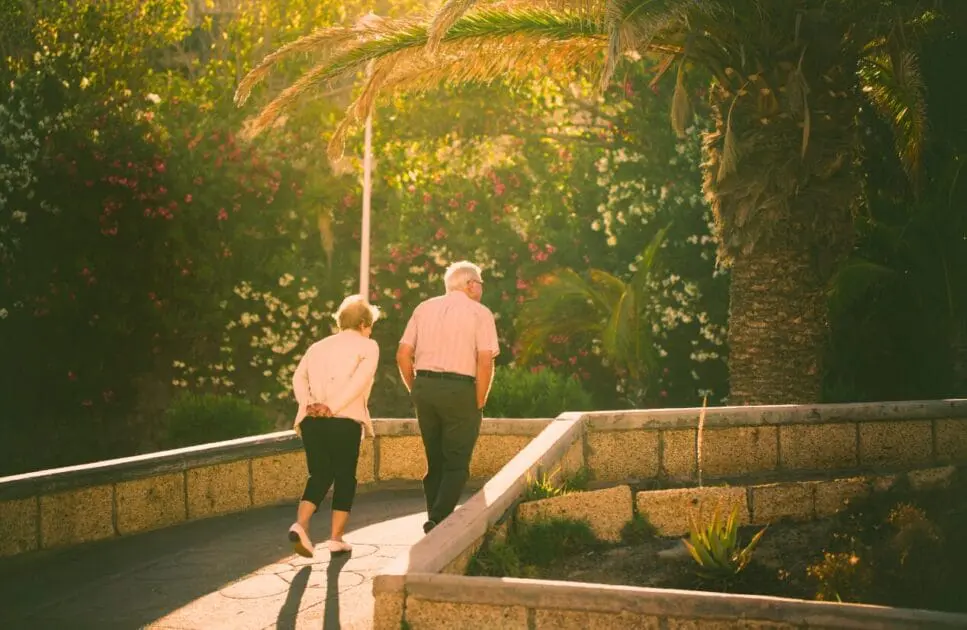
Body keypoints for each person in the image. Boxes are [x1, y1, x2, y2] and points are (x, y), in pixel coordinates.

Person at [396, 261, 499, 534]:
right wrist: (479, 400)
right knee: (457, 463)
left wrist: (415, 388)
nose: (481, 288)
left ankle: (434, 517)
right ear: (469, 285)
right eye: (480, 283)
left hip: (425, 387)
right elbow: (485, 361)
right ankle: (439, 519)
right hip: (460, 389)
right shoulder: (480, 313)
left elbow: (403, 355)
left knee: (435, 461)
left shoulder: (423, 308)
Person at [287, 294, 380, 557]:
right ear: (363, 323)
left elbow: (298, 377)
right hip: (344, 420)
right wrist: (332, 407)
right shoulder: (368, 346)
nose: (371, 330)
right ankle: (336, 538)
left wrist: (308, 404)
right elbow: (359, 382)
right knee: (344, 477)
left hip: (311, 420)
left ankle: (301, 524)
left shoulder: (318, 346)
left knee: (319, 474)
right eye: (370, 324)